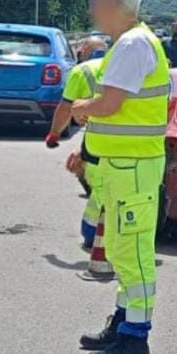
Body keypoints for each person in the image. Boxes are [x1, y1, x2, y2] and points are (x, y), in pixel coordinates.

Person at [69, 0, 171, 354]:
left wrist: (82, 107)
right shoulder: (130, 43)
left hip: (132, 167)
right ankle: (124, 323)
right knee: (121, 249)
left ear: (113, 6)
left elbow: (110, 104)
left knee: (133, 254)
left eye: (94, 2)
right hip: (123, 165)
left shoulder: (132, 44)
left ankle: (135, 338)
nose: (91, 9)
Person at [45, 35, 112, 281]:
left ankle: (93, 234)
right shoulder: (122, 67)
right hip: (136, 145)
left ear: (84, 51)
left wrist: (54, 134)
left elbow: (65, 109)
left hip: (99, 144)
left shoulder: (82, 71)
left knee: (98, 194)